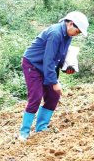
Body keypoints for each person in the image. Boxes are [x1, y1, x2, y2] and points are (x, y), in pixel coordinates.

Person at [19, 11, 88, 140]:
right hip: (33, 65)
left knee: (53, 96)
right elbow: (49, 59)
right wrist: (54, 82)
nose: (77, 35)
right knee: (36, 97)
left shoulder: (68, 35)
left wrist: (66, 68)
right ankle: (24, 132)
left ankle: (41, 128)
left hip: (47, 65)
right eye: (77, 31)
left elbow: (58, 56)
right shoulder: (55, 33)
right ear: (71, 24)